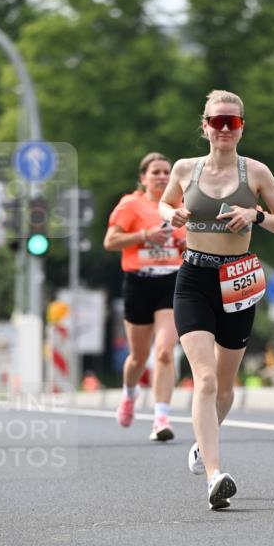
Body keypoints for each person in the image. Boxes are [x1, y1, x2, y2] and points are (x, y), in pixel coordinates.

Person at [159, 89, 274, 510]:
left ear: (240, 129)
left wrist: (255, 215)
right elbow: (164, 205)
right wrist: (173, 215)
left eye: (230, 123)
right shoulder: (185, 169)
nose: (223, 129)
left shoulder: (256, 173)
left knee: (226, 384)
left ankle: (203, 443)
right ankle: (215, 475)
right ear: (204, 127)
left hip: (238, 280)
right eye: (216, 122)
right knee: (205, 378)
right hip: (195, 277)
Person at [104, 152, 185, 442]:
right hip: (138, 282)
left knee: (164, 350)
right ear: (143, 178)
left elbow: (192, 246)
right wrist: (145, 236)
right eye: (156, 172)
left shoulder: (181, 207)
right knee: (138, 356)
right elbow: (110, 241)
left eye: (167, 172)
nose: (162, 177)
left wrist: (184, 243)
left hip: (172, 282)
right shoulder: (131, 205)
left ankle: (161, 417)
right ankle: (129, 394)